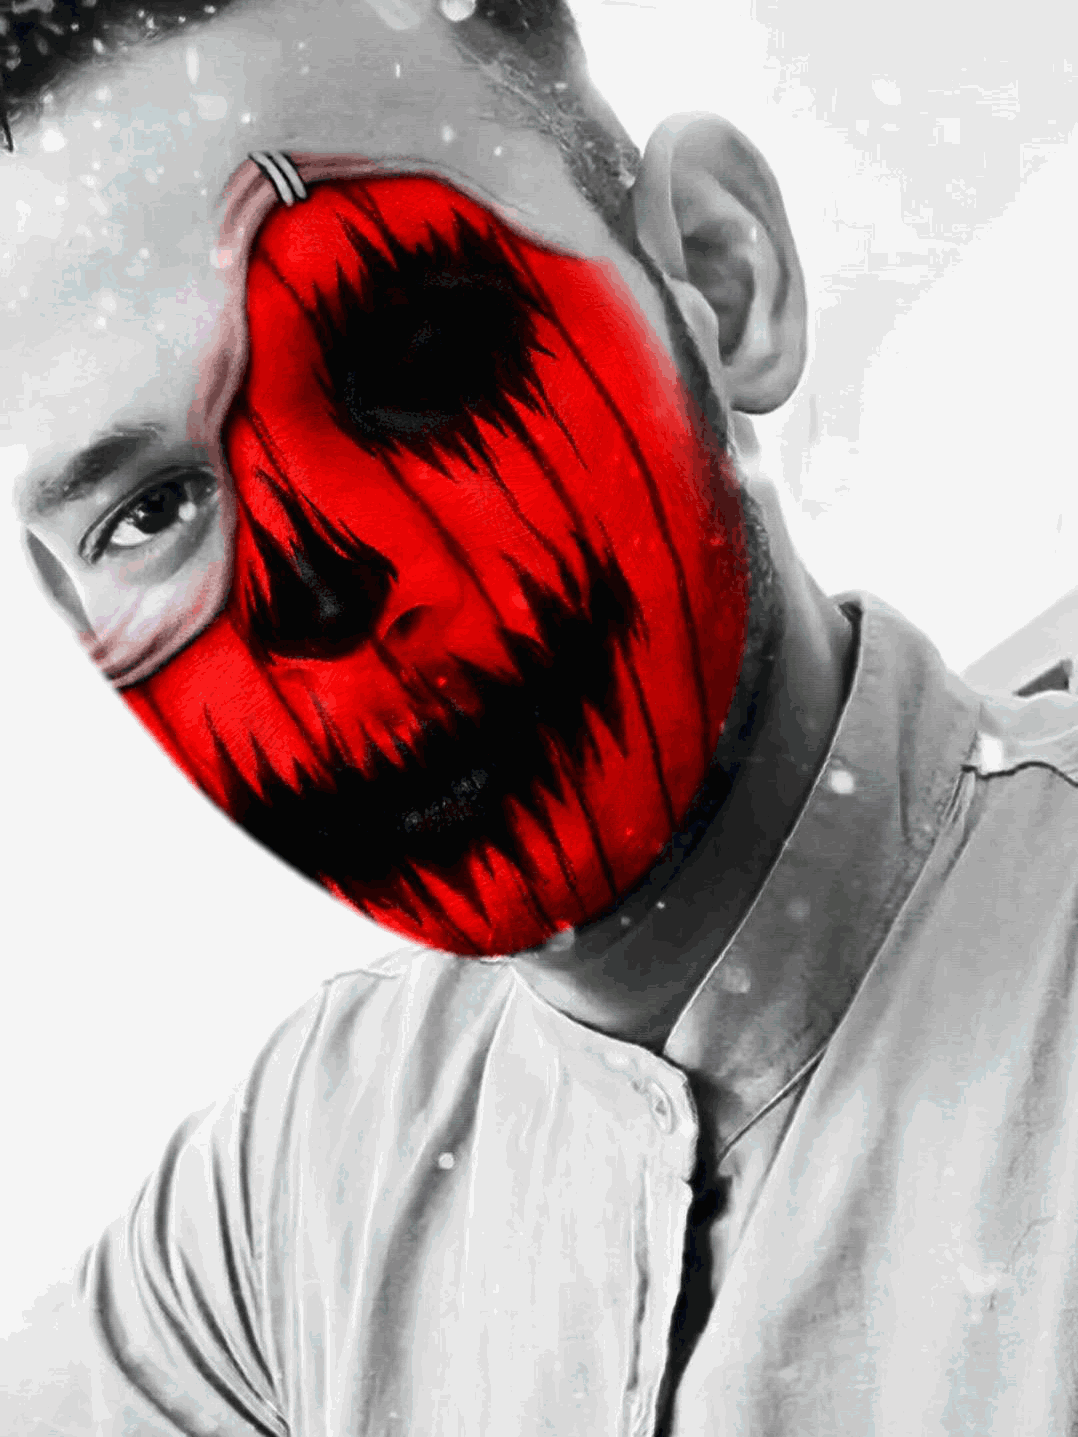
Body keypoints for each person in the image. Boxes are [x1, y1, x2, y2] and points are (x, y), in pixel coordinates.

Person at [2, 0, 1076, 1431]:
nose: (318, 589)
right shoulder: (271, 1213)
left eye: (415, 354)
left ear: (720, 279)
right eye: (149, 513)